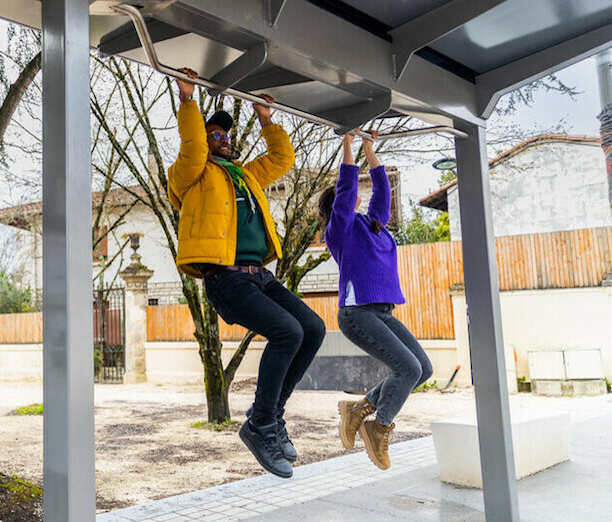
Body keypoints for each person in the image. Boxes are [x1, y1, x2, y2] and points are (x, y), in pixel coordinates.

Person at [168, 69, 325, 479]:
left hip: (260, 275)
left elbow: (282, 159)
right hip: (226, 277)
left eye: (226, 134)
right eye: (214, 134)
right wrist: (187, 100)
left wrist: (266, 120)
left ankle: (269, 416)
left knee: (312, 328)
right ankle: (261, 425)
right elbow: (192, 147)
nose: (223, 138)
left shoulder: (246, 174)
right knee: (287, 332)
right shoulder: (190, 175)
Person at [320, 130, 433, 470]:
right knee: (407, 368)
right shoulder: (339, 229)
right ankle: (378, 427)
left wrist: (370, 149)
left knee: (422, 369)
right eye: (350, 195)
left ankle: (359, 408)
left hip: (383, 312)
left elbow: (383, 190)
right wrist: (348, 144)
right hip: (357, 312)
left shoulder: (376, 225)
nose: (357, 196)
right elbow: (346, 189)